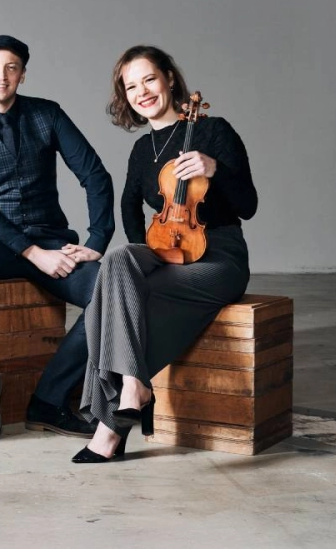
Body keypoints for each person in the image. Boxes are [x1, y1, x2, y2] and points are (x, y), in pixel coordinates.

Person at [74, 45, 258, 463]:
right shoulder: (143, 150)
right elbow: (128, 205)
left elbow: (248, 205)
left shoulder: (214, 131)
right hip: (165, 248)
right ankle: (133, 387)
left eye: (149, 79)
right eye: (131, 86)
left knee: (105, 302)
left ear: (169, 79)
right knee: (118, 262)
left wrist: (215, 170)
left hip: (218, 256)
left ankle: (110, 426)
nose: (142, 92)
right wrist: (146, 249)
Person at [0, 35, 114, 441]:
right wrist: (34, 254)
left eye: (11, 67)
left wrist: (97, 240)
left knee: (111, 293)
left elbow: (95, 175)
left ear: (22, 74)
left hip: (53, 238)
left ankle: (49, 399)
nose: (1, 76)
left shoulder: (47, 114)